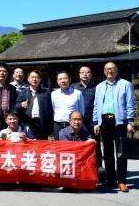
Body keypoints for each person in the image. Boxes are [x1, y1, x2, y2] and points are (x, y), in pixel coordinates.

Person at [93, 62, 136, 192]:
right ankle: (111, 179)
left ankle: (122, 181)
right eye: (107, 69)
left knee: (121, 152)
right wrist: (96, 122)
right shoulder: (99, 86)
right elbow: (96, 105)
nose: (110, 71)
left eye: (112, 69)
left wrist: (130, 122)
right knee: (107, 152)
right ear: (104, 71)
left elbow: (130, 103)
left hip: (120, 121)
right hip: (104, 121)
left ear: (117, 70)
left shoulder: (125, 84)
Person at [71, 65, 102, 170]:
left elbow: (99, 106)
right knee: (78, 147)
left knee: (94, 146)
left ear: (91, 74)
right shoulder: (73, 87)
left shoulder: (96, 88)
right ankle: (79, 168)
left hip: (92, 122)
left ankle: (97, 169)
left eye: (87, 72)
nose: (85, 74)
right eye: (82, 72)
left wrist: (96, 122)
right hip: (77, 123)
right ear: (79, 74)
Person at [15, 70, 53, 140]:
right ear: (28, 79)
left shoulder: (46, 93)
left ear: (40, 79)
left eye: (37, 77)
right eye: (32, 77)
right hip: (29, 124)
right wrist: (21, 105)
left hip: (42, 124)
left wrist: (51, 131)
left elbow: (50, 111)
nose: (34, 79)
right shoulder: (23, 93)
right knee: (29, 146)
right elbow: (16, 108)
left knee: (42, 147)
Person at [51, 71, 85, 140]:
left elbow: (81, 111)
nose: (63, 81)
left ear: (69, 80)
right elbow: (53, 109)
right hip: (58, 125)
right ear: (57, 81)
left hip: (72, 125)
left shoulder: (77, 93)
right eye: (60, 79)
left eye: (65, 78)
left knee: (72, 147)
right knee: (58, 147)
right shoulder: (53, 94)